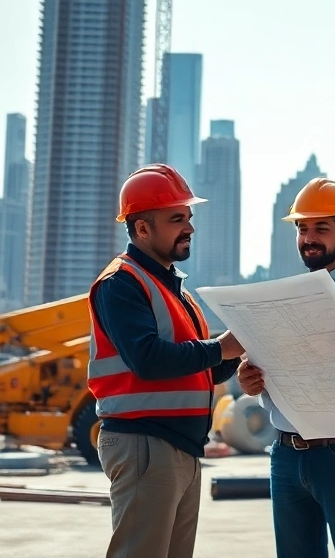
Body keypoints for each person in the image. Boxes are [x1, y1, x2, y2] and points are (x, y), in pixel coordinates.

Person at [88, 164, 245, 558]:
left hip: (179, 448)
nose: (190, 227)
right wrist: (221, 348)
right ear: (142, 228)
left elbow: (201, 369)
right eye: (177, 219)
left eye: (188, 217)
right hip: (145, 444)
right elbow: (147, 359)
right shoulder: (121, 283)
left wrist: (241, 353)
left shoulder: (177, 291)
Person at [236, 178, 335, 558]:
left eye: (321, 228)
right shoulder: (284, 297)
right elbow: (270, 374)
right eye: (302, 229)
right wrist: (252, 380)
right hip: (285, 452)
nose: (309, 238)